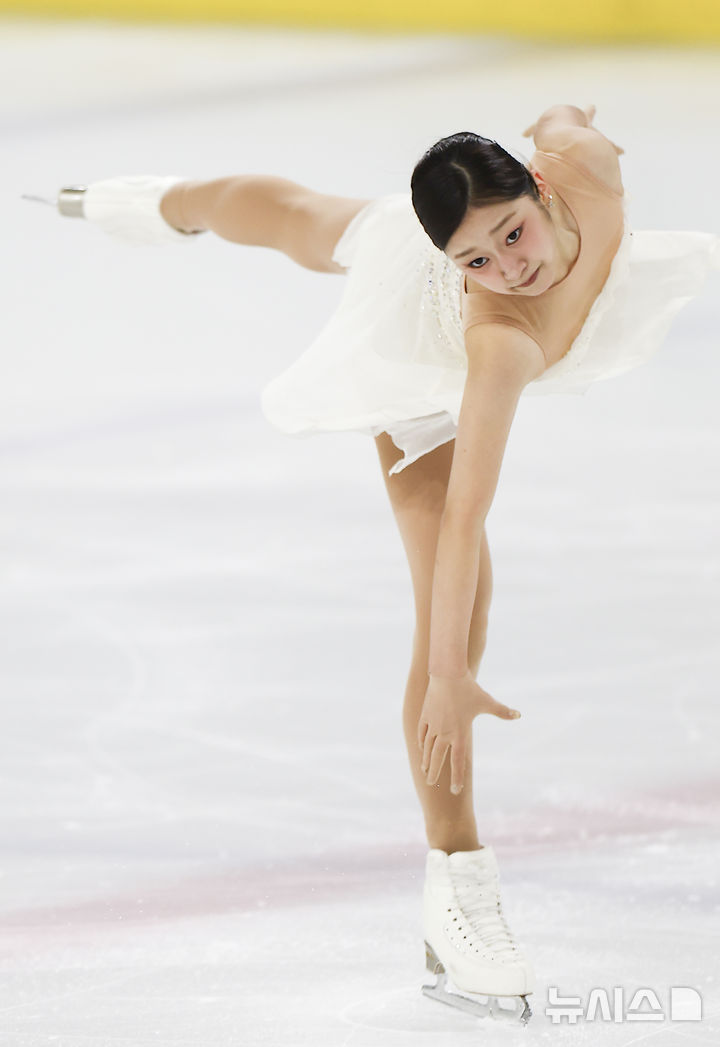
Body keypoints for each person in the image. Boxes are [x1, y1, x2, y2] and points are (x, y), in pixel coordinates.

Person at [56, 103, 719, 1025]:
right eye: (476, 259)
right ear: (453, 263)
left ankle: (153, 201)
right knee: (459, 607)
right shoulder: (496, 334)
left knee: (311, 218)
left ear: (540, 186)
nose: (510, 267)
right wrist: (449, 674)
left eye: (512, 233)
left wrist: (567, 116)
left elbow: (565, 121)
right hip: (416, 355)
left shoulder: (583, 164)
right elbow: (465, 516)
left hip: (454, 246)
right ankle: (457, 880)